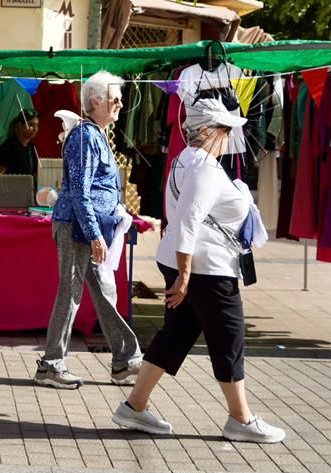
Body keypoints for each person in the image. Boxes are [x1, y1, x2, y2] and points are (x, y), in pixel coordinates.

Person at [112, 98, 286, 443]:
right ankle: (240, 418)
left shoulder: (184, 160)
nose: (229, 138)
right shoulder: (204, 167)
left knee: (176, 334)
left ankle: (135, 405)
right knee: (228, 338)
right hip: (207, 268)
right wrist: (186, 273)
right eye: (224, 131)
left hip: (193, 262)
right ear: (206, 131)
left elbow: (182, 215)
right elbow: (190, 218)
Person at [34, 71, 143, 390]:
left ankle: (124, 359)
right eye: (115, 99)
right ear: (95, 102)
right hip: (77, 226)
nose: (121, 104)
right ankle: (52, 364)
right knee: (70, 292)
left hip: (86, 225)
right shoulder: (84, 137)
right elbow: (80, 191)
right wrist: (95, 234)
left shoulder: (94, 134)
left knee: (104, 291)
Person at [0, 111, 40, 176]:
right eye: (31, 124)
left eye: (37, 125)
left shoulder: (32, 147)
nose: (35, 129)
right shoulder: (8, 147)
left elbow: (35, 174)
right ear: (19, 125)